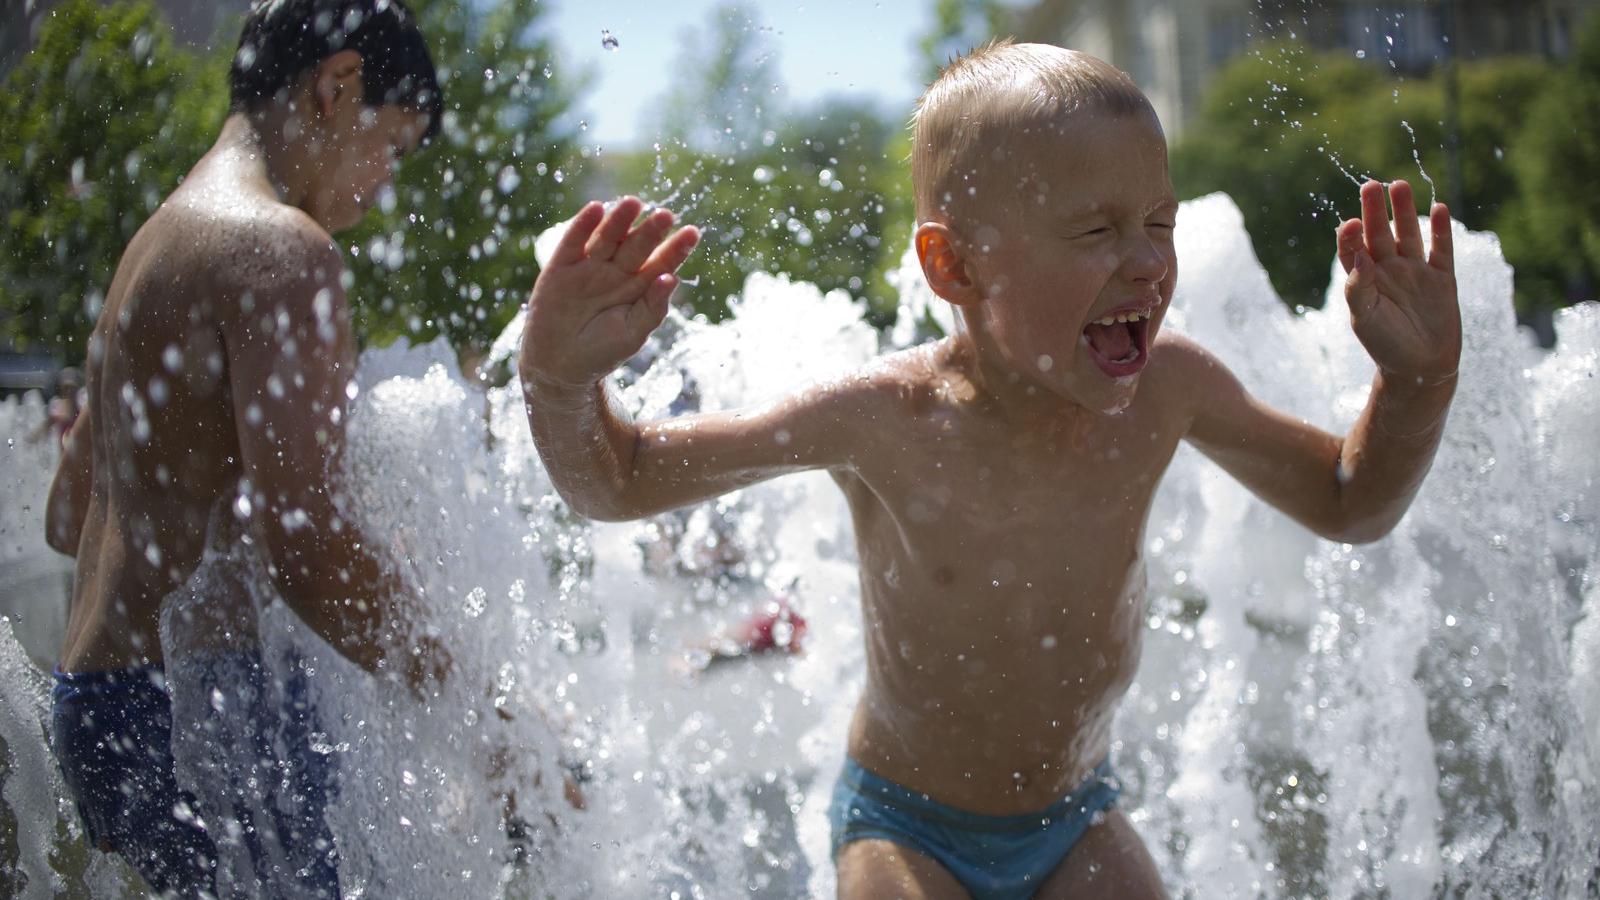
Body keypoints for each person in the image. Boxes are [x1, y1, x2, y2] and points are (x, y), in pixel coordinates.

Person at [520, 40, 1461, 899]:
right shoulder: (883, 418)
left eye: (1159, 223)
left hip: (1074, 821)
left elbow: (1350, 502)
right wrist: (559, 380)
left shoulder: (1170, 390)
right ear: (954, 266)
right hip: (906, 829)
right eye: (1096, 232)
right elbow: (624, 479)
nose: (1144, 263)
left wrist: (1418, 380)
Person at [42, 1, 442, 895]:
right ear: (338, 86)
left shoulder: (155, 246)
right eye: (393, 147)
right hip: (208, 707)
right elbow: (306, 548)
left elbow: (69, 517)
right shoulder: (282, 249)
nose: (380, 187)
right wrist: (463, 693)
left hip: (99, 708)